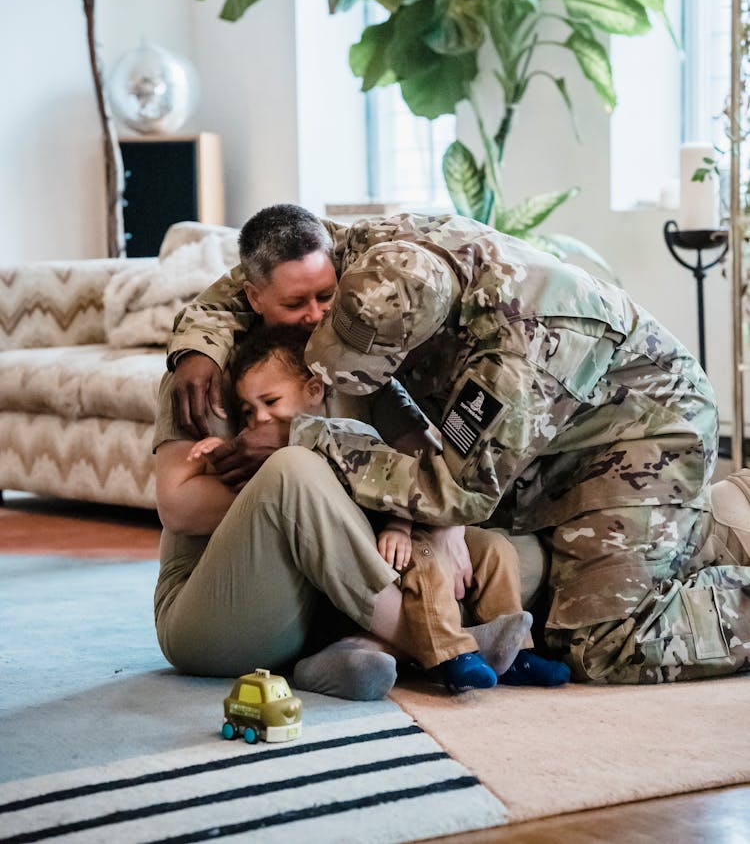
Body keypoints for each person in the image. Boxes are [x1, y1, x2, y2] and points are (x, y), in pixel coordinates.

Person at [163, 206, 750, 685]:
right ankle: (712, 523)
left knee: (598, 643)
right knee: (532, 596)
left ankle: (703, 534)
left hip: (635, 440)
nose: (313, 327)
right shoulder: (372, 253)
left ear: (422, 334)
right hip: (533, 442)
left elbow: (458, 488)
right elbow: (261, 269)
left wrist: (308, 435)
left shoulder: (518, 357)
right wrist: (198, 347)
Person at [186, 324, 570, 692]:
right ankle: (451, 654)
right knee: (426, 564)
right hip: (361, 560)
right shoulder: (268, 453)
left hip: (399, 526)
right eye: (249, 412)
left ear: (314, 389)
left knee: (500, 550)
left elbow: (404, 475)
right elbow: (264, 493)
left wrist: (406, 526)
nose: (260, 418)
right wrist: (221, 451)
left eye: (269, 402)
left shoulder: (351, 430)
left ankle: (514, 653)